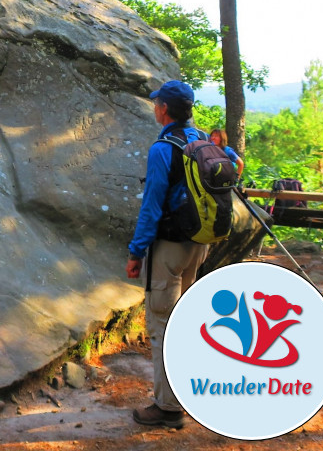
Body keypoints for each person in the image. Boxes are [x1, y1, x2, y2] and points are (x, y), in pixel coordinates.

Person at [126, 80, 211, 430]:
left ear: (164, 109)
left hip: (171, 246)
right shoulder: (201, 139)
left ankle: (168, 408)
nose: (154, 107)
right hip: (200, 244)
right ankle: (186, 393)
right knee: (185, 320)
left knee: (163, 324)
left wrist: (136, 251)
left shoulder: (163, 148)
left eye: (156, 102)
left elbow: (152, 205)